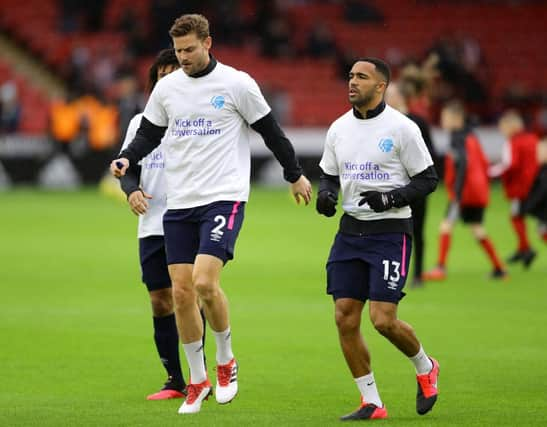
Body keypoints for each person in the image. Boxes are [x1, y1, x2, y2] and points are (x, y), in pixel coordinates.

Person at [110, 14, 312, 415]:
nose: (183, 57)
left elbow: (271, 131)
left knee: (204, 282)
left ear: (208, 43)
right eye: (179, 50)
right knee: (180, 292)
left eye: (189, 49)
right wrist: (127, 158)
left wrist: (295, 175)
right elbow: (149, 133)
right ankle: (196, 380)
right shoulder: (167, 89)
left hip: (224, 196)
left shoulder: (236, 83)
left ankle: (225, 360)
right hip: (180, 202)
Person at [316, 57, 440, 421]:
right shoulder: (338, 128)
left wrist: (391, 197)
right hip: (350, 232)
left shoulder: (402, 128)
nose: (352, 82)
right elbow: (328, 175)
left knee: (383, 320)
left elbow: (428, 179)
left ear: (381, 86)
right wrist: (327, 195)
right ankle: (371, 402)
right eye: (350, 76)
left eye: (361, 77)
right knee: (344, 318)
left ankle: (426, 365)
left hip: (390, 233)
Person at [116, 48, 204, 401]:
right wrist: (131, 191)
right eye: (161, 76)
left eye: (174, 75)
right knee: (159, 301)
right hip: (151, 224)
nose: (166, 82)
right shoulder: (140, 123)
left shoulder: (197, 120)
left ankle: (201, 376)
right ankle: (174, 379)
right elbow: (126, 167)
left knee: (189, 296)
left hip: (187, 219)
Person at [424, 101, 507, 281]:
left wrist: (457, 193)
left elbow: (462, 164)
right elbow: (482, 163)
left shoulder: (457, 138)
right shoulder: (472, 136)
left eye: (445, 118)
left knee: (446, 226)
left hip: (465, 192)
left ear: (456, 119)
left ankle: (440, 268)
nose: (443, 121)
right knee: (477, 229)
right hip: (478, 191)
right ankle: (499, 268)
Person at [385, 82, 436, 286]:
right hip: (392, 186)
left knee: (417, 230)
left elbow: (430, 153)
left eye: (390, 94)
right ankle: (395, 273)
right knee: (391, 231)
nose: (387, 98)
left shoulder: (417, 123)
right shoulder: (383, 124)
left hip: (415, 186)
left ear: (402, 97)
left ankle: (418, 274)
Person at [489, 110, 539, 267]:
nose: (501, 130)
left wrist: (489, 172)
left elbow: (510, 164)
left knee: (517, 217)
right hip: (538, 185)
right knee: (521, 216)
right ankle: (523, 248)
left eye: (503, 126)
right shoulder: (532, 139)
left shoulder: (513, 142)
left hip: (522, 187)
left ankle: (526, 249)